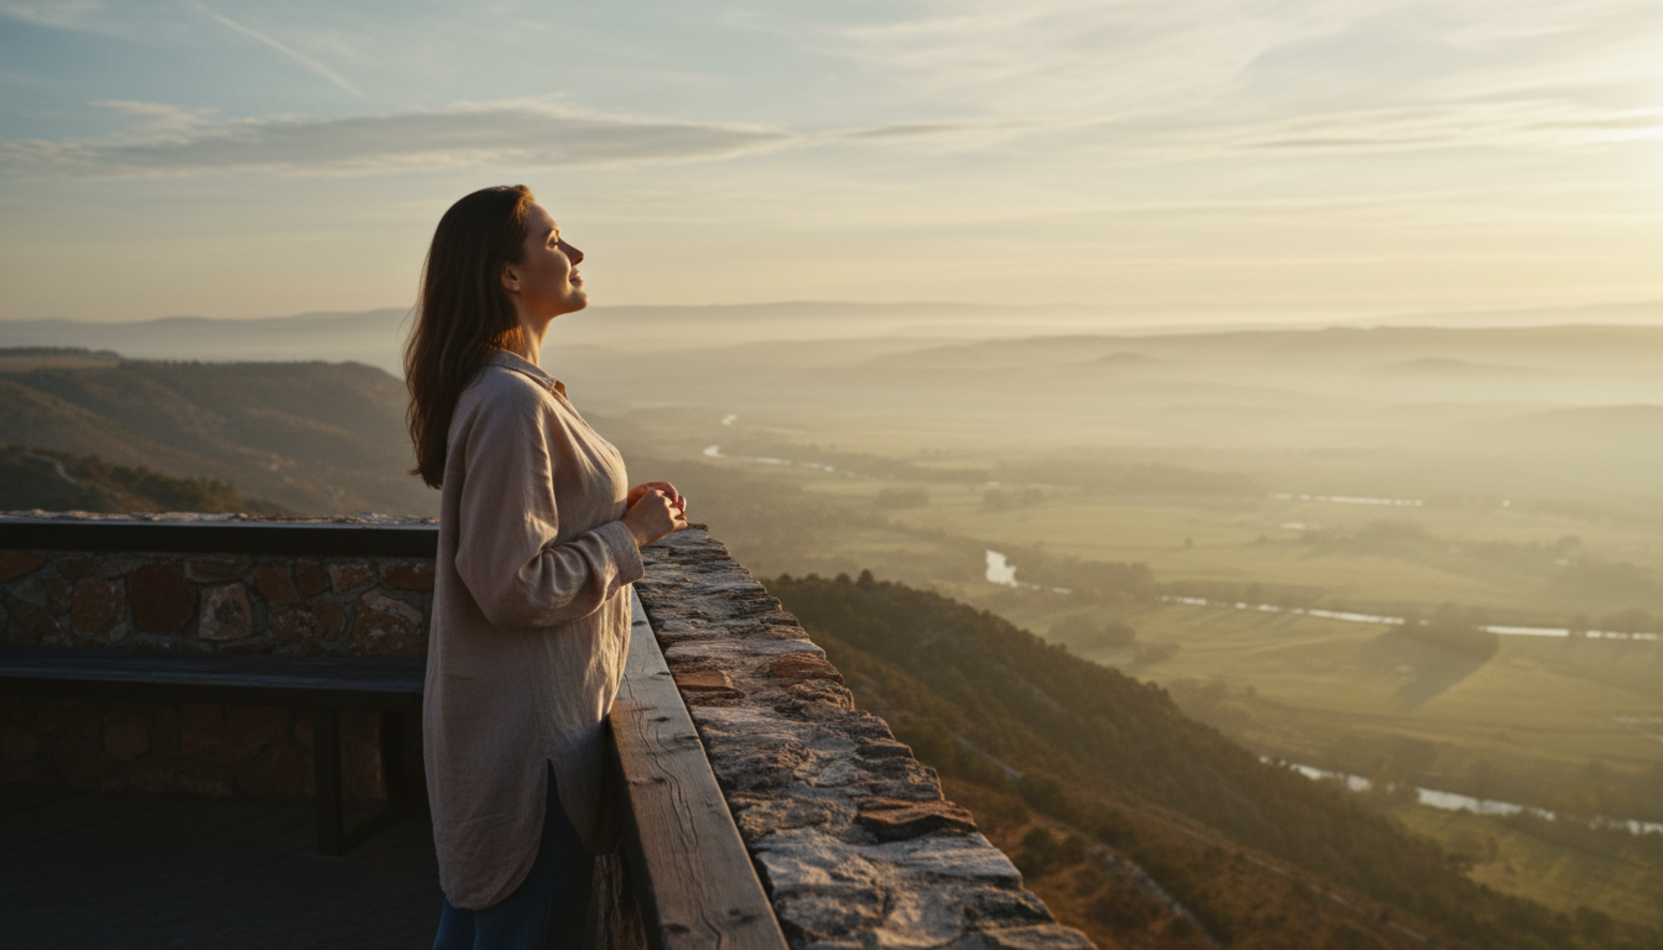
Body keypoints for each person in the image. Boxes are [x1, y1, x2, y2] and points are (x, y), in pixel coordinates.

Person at [404, 184, 687, 949]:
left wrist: (607, 513)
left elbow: (520, 538)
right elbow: (510, 585)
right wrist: (629, 539)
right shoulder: (508, 403)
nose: (575, 252)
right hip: (532, 752)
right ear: (507, 274)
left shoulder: (508, 392)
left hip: (525, 738)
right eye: (554, 238)